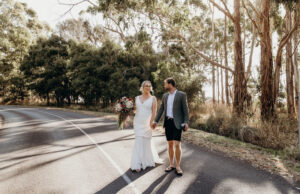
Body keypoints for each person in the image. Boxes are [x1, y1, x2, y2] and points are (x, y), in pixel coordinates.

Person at [152, 78, 189, 176]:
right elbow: (161, 110)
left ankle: (178, 166)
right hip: (168, 122)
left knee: (177, 144)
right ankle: (172, 164)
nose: (164, 86)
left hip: (177, 123)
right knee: (170, 144)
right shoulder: (165, 96)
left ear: (170, 84)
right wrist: (155, 121)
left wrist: (186, 122)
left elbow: (185, 110)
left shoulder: (181, 95)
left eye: (165, 84)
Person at [130, 81, 163, 172]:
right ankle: (137, 163)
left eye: (149, 86)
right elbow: (135, 111)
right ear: (142, 87)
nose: (148, 87)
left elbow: (154, 112)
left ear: (151, 88)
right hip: (137, 122)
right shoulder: (136, 98)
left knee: (146, 142)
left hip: (147, 123)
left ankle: (146, 160)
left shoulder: (153, 98)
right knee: (139, 141)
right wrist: (126, 108)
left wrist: (151, 122)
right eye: (146, 86)